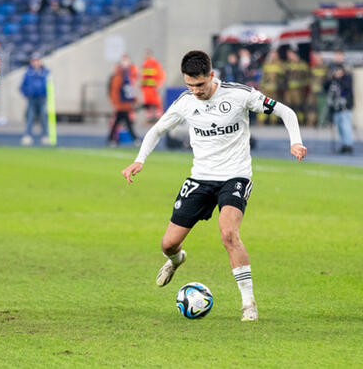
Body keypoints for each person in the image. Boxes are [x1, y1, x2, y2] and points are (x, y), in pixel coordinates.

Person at [121, 50, 307, 322]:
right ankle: (176, 260)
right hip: (200, 178)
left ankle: (249, 305)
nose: (196, 91)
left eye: (200, 85)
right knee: (168, 243)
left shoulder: (239, 94)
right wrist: (139, 160)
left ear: (211, 75)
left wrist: (296, 141)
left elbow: (285, 111)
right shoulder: (185, 102)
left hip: (235, 176)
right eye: (190, 85)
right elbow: (157, 129)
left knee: (228, 234)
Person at [108, 54, 139, 146]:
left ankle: (112, 139)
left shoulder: (129, 75)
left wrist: (134, 100)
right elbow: (115, 91)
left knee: (120, 123)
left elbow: (131, 90)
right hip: (121, 104)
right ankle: (134, 139)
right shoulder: (119, 76)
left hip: (126, 104)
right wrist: (115, 103)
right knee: (125, 123)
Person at [20, 53, 50, 146]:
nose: (36, 62)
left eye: (38, 60)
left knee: (43, 117)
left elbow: (50, 85)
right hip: (31, 99)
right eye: (34, 60)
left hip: (42, 98)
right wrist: (27, 93)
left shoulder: (46, 72)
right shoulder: (28, 73)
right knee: (30, 117)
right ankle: (28, 135)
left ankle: (45, 136)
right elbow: (22, 86)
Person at [326, 65, 354, 154]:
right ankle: (343, 144)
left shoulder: (347, 78)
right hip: (336, 107)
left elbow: (347, 88)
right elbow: (325, 87)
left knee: (346, 126)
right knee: (340, 128)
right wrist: (330, 79)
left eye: (339, 71)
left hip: (345, 107)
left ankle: (348, 145)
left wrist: (338, 80)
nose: (337, 73)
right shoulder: (333, 81)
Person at [140, 49, 166, 124]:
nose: (146, 56)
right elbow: (143, 76)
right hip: (146, 88)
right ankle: (150, 118)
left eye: (148, 54)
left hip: (153, 88)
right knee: (148, 104)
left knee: (156, 103)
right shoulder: (144, 64)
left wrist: (158, 85)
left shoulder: (155, 64)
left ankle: (158, 118)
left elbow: (160, 75)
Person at [258, 51, 283, 125]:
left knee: (273, 105)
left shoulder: (280, 64)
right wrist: (260, 87)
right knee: (264, 105)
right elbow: (262, 77)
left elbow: (282, 77)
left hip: (275, 90)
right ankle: (261, 121)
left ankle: (273, 121)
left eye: (274, 55)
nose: (273, 56)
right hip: (265, 89)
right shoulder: (265, 64)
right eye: (271, 55)